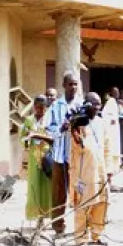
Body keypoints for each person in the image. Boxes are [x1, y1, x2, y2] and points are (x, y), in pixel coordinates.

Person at [69, 93, 112, 246]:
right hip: (84, 172)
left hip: (101, 171)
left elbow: (107, 147)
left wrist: (109, 170)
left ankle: (96, 234)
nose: (97, 107)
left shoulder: (102, 123)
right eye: (94, 104)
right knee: (84, 204)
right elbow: (77, 146)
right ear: (86, 104)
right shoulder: (79, 123)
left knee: (102, 203)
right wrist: (74, 127)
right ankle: (81, 238)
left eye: (99, 104)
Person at [46, 72, 83, 236]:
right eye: (70, 84)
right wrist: (61, 129)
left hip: (77, 157)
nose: (73, 87)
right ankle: (58, 227)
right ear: (64, 85)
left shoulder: (81, 105)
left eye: (75, 84)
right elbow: (48, 128)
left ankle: (80, 229)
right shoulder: (56, 106)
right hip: (59, 157)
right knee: (58, 194)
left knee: (79, 192)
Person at [20, 95, 53, 220]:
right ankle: (37, 216)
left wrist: (40, 136)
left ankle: (47, 214)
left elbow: (53, 136)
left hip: (47, 156)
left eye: (43, 108)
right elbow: (22, 137)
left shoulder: (50, 119)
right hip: (34, 157)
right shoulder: (29, 121)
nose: (40, 110)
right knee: (34, 185)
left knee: (47, 185)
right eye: (38, 107)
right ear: (34, 107)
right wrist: (28, 139)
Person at [101, 87, 122, 171]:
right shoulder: (111, 101)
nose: (117, 93)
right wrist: (111, 119)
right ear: (112, 93)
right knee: (111, 146)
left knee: (115, 146)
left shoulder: (114, 102)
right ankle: (110, 167)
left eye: (118, 92)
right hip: (111, 128)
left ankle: (114, 166)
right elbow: (104, 114)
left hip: (115, 128)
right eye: (115, 92)